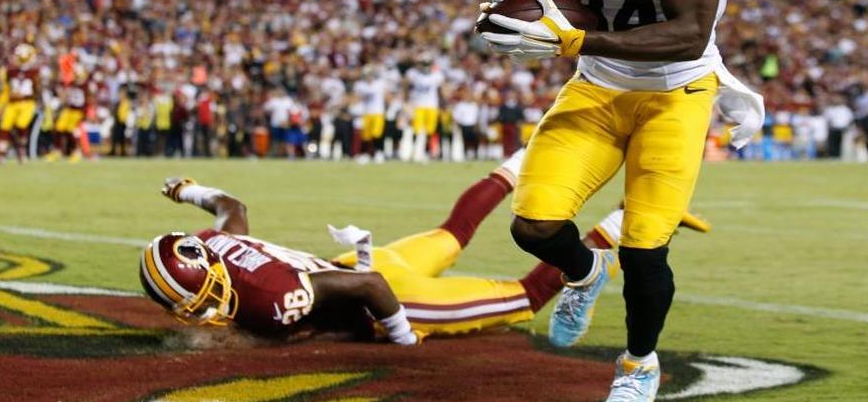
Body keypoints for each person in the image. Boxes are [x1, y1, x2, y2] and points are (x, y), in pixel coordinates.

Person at [477, 0, 763, 402]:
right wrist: (521, 8)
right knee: (533, 227)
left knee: (644, 249)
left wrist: (571, 43)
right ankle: (582, 272)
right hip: (599, 89)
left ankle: (638, 365)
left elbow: (689, 36)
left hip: (675, 92)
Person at [140, 150, 713, 343]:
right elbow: (232, 209)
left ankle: (623, 218)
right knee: (453, 231)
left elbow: (369, 288)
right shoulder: (216, 242)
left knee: (527, 296)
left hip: (385, 295)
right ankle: (526, 158)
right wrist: (192, 190)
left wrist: (402, 336)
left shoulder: (267, 298)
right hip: (362, 264)